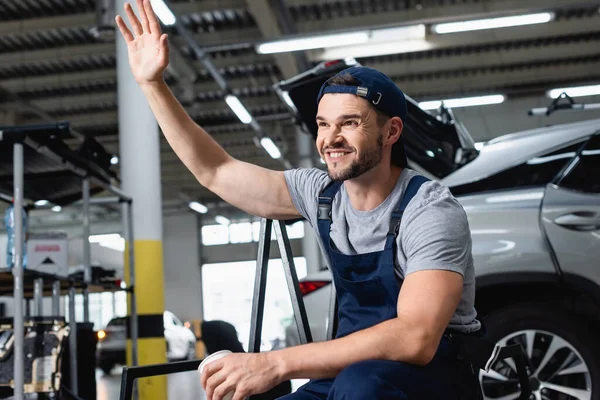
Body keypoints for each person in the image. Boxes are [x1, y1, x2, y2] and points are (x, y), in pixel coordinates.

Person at [116, 1, 483, 399]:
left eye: (350, 123)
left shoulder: (428, 210)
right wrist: (153, 86)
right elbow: (216, 171)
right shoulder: (321, 194)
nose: (330, 138)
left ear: (391, 131)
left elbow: (416, 337)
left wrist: (274, 363)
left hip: (429, 381)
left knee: (361, 387)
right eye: (324, 124)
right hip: (347, 375)